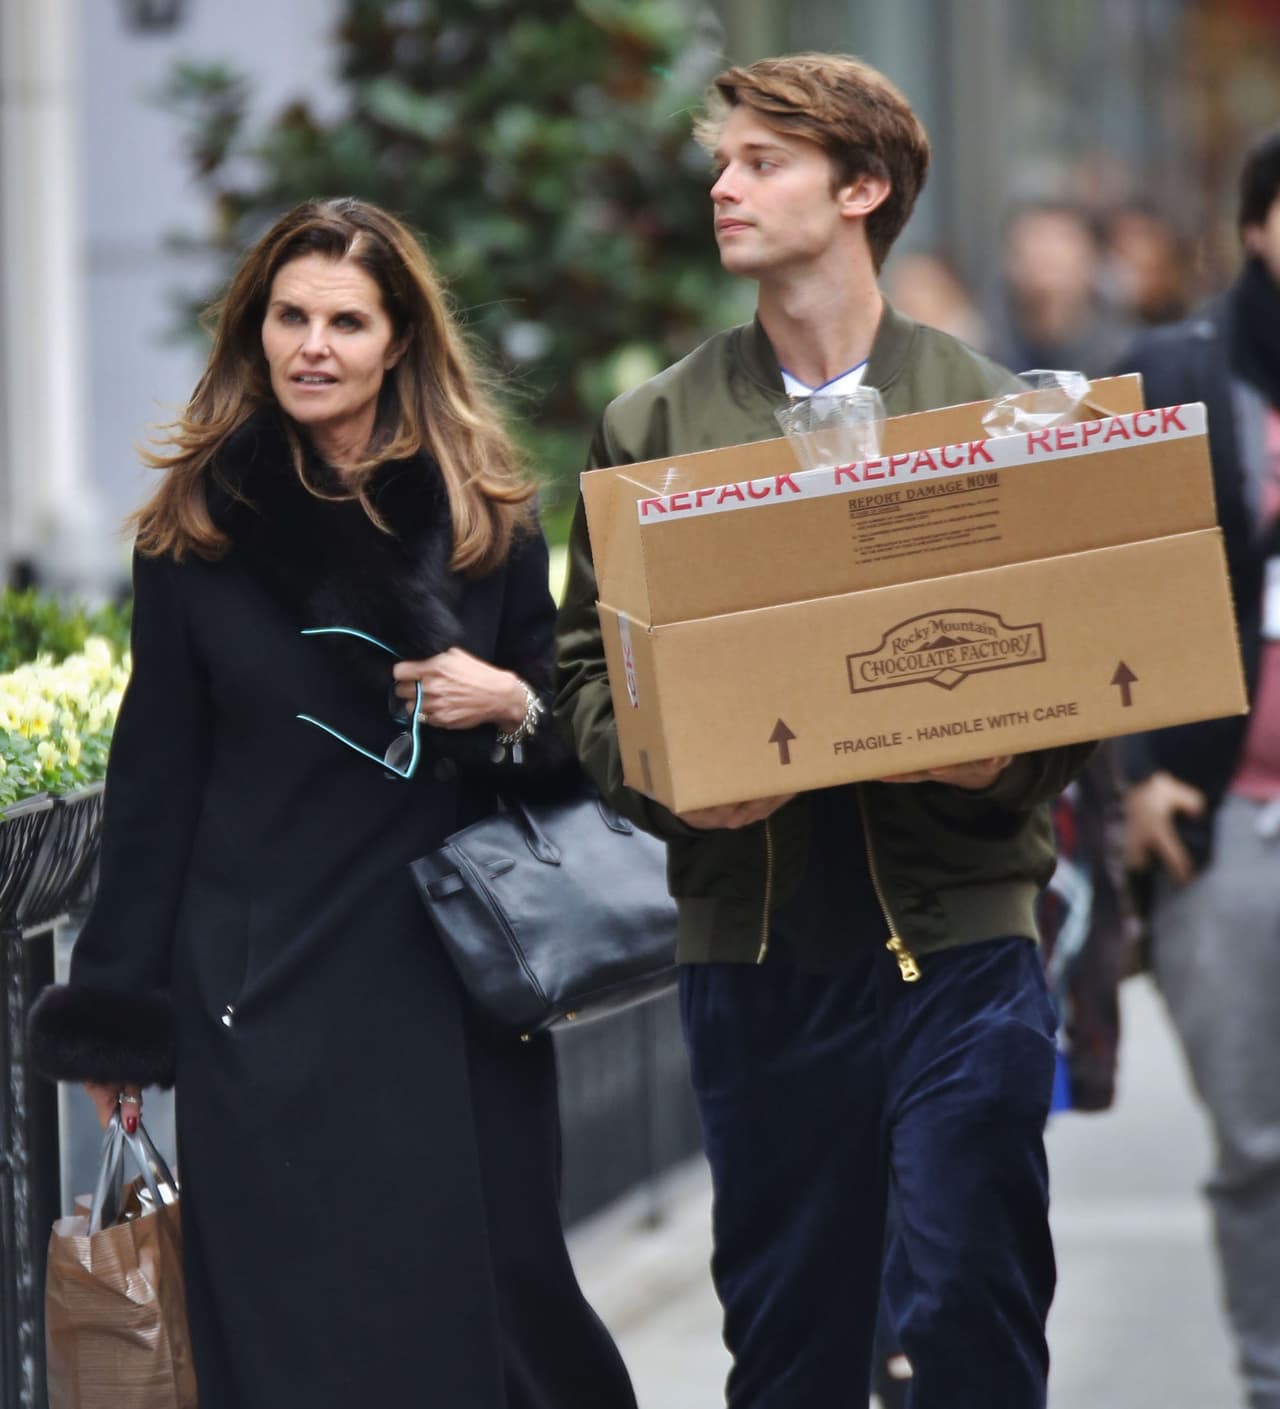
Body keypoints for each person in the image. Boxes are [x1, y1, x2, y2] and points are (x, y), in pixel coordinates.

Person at [28, 198, 637, 1409]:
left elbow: (574, 750)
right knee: (294, 1337)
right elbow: (154, 785)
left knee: (494, 1313)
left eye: (346, 321)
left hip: (453, 983)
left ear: (398, 340)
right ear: (255, 333)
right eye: (290, 316)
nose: (314, 344)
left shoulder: (488, 525)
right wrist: (121, 1016)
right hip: (264, 992)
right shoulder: (194, 533)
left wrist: (506, 702)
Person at [555, 53, 1093, 1409]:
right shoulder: (657, 427)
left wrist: (1006, 758)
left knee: (970, 1303)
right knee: (793, 1350)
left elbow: (1078, 670)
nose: (724, 186)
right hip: (762, 952)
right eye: (724, 160)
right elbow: (583, 674)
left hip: (964, 941)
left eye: (761, 162)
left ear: (863, 189)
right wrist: (670, 783)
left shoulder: (988, 408)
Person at [1118, 129, 1280, 1409]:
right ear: (1260, 227)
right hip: (1226, 816)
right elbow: (1093, 595)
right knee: (1258, 1142)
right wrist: (1129, 773)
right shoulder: (1174, 375)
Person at [991, 200, 1136, 377]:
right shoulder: (988, 359)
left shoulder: (1128, 357)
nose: (1044, 252)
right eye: (1034, 240)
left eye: (1059, 241)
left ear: (1094, 260)